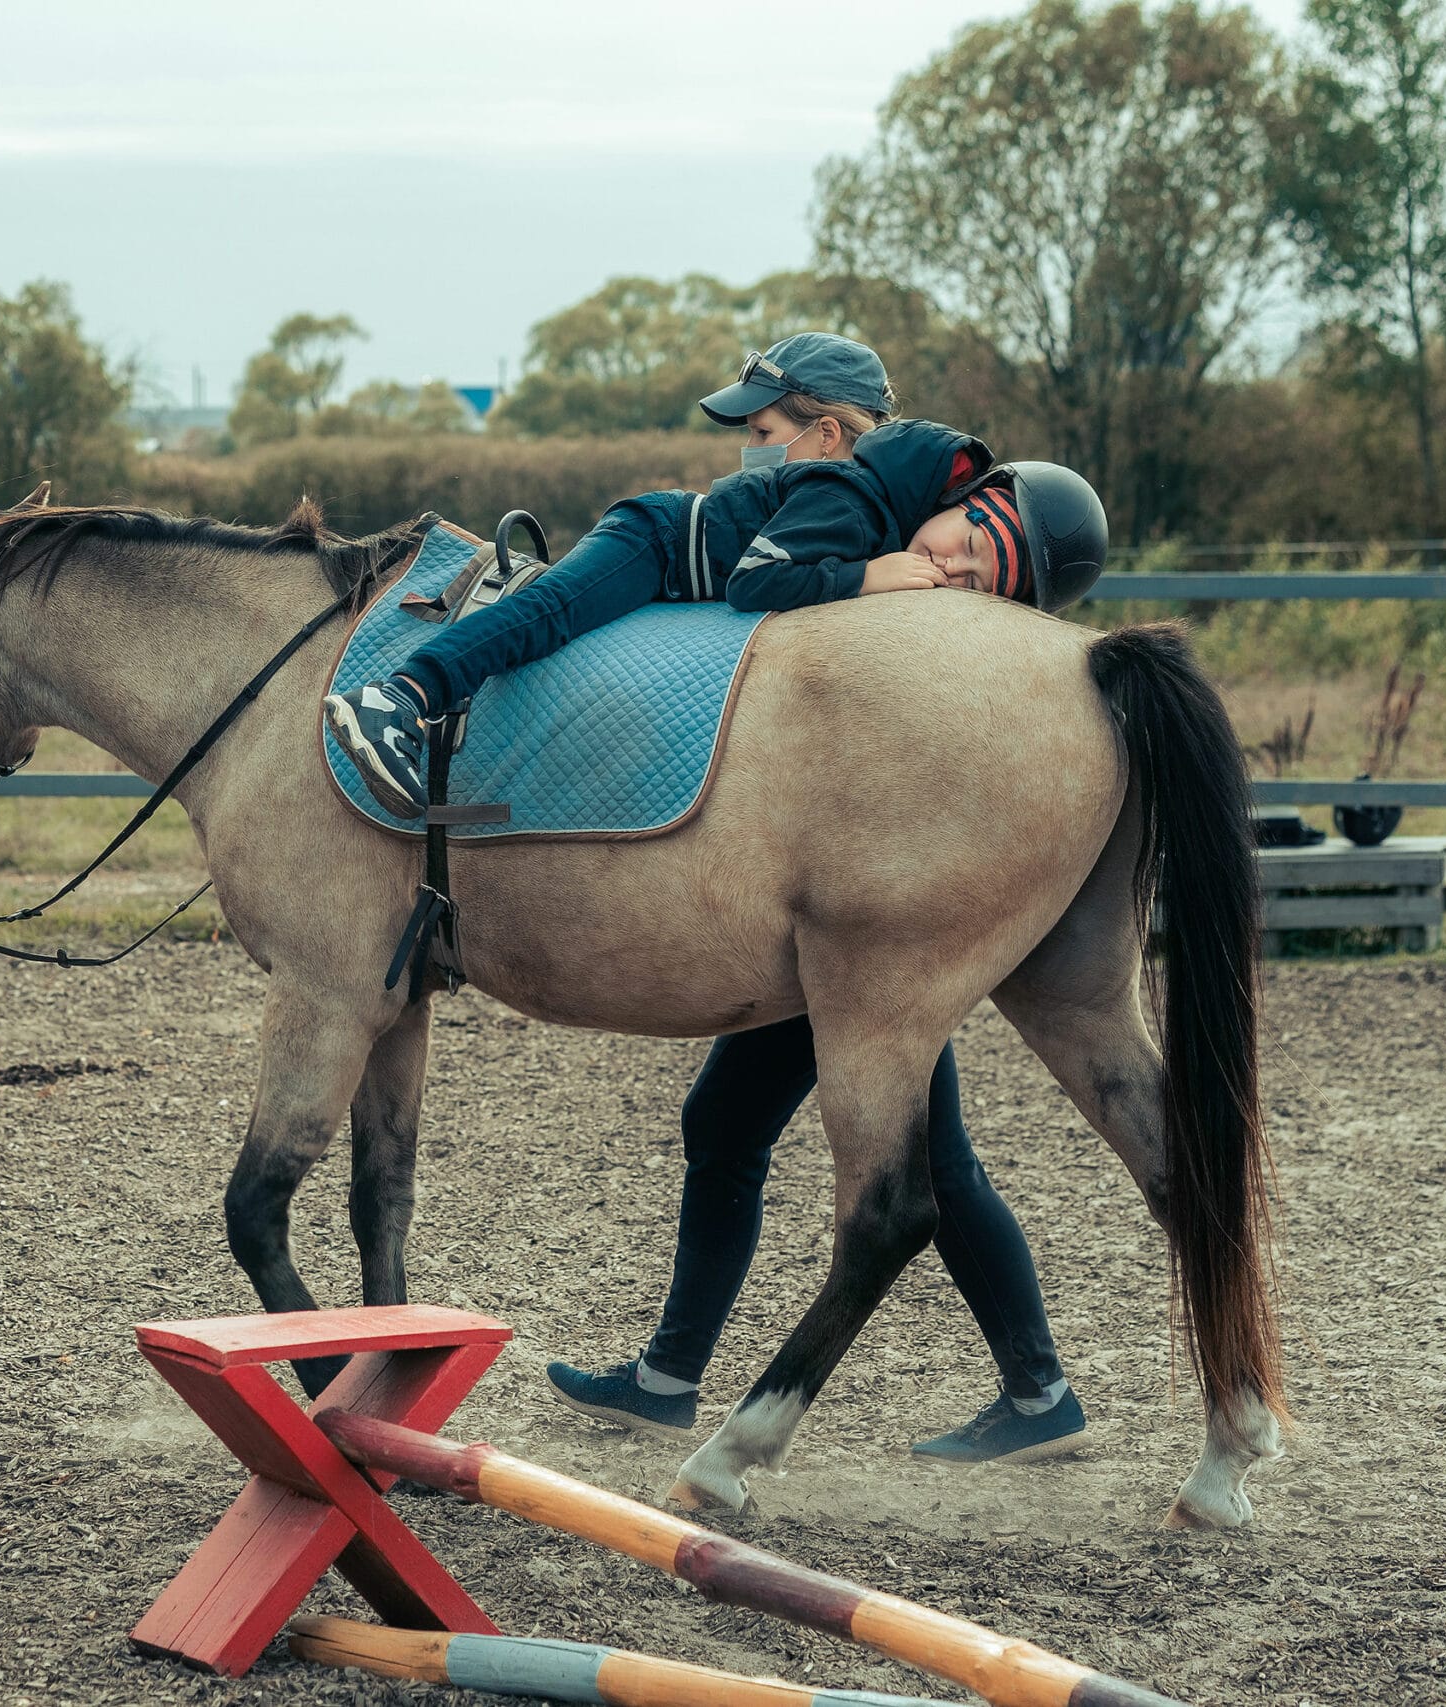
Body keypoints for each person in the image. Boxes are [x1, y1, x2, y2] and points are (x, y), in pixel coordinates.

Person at [325, 333, 1111, 1464]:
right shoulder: (855, 494)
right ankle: (412, 690)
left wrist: (883, 577)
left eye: (763, 434)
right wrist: (870, 574)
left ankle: (1017, 1393)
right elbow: (768, 578)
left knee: (880, 1147)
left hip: (842, 901)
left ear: (830, 430)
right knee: (546, 613)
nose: (753, 456)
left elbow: (789, 587)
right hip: (651, 551)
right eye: (755, 439)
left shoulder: (878, 510)